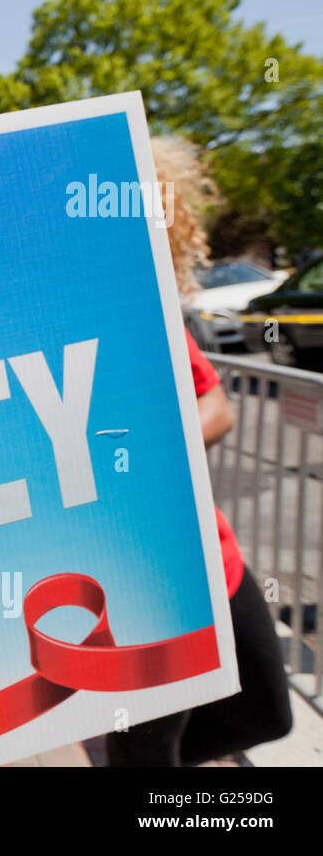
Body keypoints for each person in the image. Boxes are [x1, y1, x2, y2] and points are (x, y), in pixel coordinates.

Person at [102, 137, 292, 765]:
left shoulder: (148, 309)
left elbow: (218, 404)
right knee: (149, 749)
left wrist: (160, 438)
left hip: (209, 553)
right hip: (127, 575)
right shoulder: (49, 315)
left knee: (267, 713)